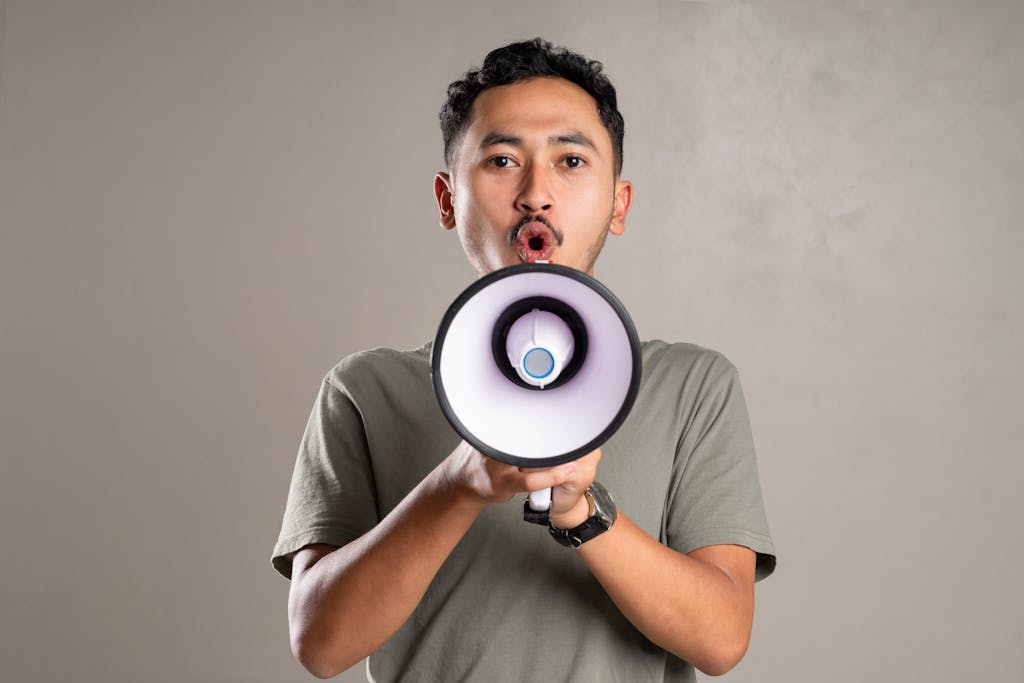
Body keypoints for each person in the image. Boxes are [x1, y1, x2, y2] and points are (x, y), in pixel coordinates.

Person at [272, 38, 776, 681]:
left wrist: (582, 513)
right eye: (503, 160)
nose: (536, 193)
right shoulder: (364, 390)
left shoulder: (693, 387)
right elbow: (321, 644)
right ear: (447, 199)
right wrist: (458, 485)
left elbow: (721, 639)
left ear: (619, 203)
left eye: (570, 160)